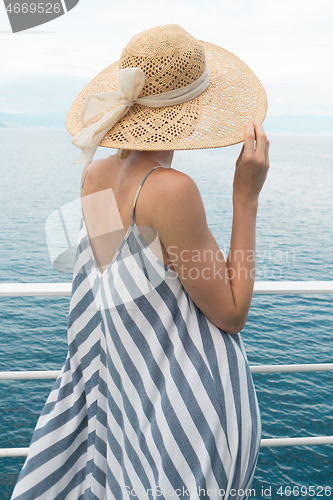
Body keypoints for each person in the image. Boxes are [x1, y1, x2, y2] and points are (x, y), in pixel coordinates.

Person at [11, 24, 269, 499]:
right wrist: (245, 198)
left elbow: (125, 292)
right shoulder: (172, 189)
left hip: (139, 405)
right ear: (186, 115)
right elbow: (233, 312)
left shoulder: (93, 177)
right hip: (189, 406)